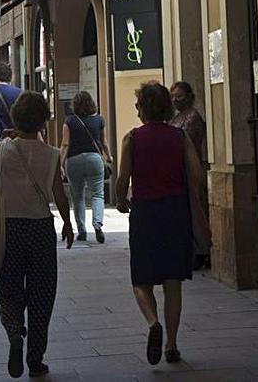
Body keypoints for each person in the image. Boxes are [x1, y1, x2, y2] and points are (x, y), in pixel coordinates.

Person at [0, 91, 74, 378]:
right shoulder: (52, 154)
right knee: (42, 296)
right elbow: (59, 194)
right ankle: (36, 359)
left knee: (10, 291)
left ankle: (15, 333)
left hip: (10, 228)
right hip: (41, 229)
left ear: (16, 118)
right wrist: (67, 223)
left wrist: (0, 140)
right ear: (43, 121)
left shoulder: (4, 148)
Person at [114, 82, 207, 366]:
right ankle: (172, 344)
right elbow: (197, 174)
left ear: (143, 108)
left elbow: (122, 180)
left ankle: (153, 323)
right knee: (172, 283)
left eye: (138, 105)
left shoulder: (132, 138)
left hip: (145, 214)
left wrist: (121, 201)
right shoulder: (179, 137)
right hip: (175, 212)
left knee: (141, 281)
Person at [169, 81, 212, 270]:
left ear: (190, 97)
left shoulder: (192, 117)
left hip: (189, 170)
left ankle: (201, 251)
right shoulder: (177, 118)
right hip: (178, 171)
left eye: (180, 96)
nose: (176, 100)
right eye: (173, 97)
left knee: (196, 211)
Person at [59, 91, 111, 244]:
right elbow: (104, 142)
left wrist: (60, 164)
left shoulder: (69, 121)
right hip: (94, 159)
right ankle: (97, 224)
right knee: (98, 194)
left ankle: (82, 231)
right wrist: (109, 156)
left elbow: (65, 144)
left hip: (73, 160)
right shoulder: (99, 120)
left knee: (78, 196)